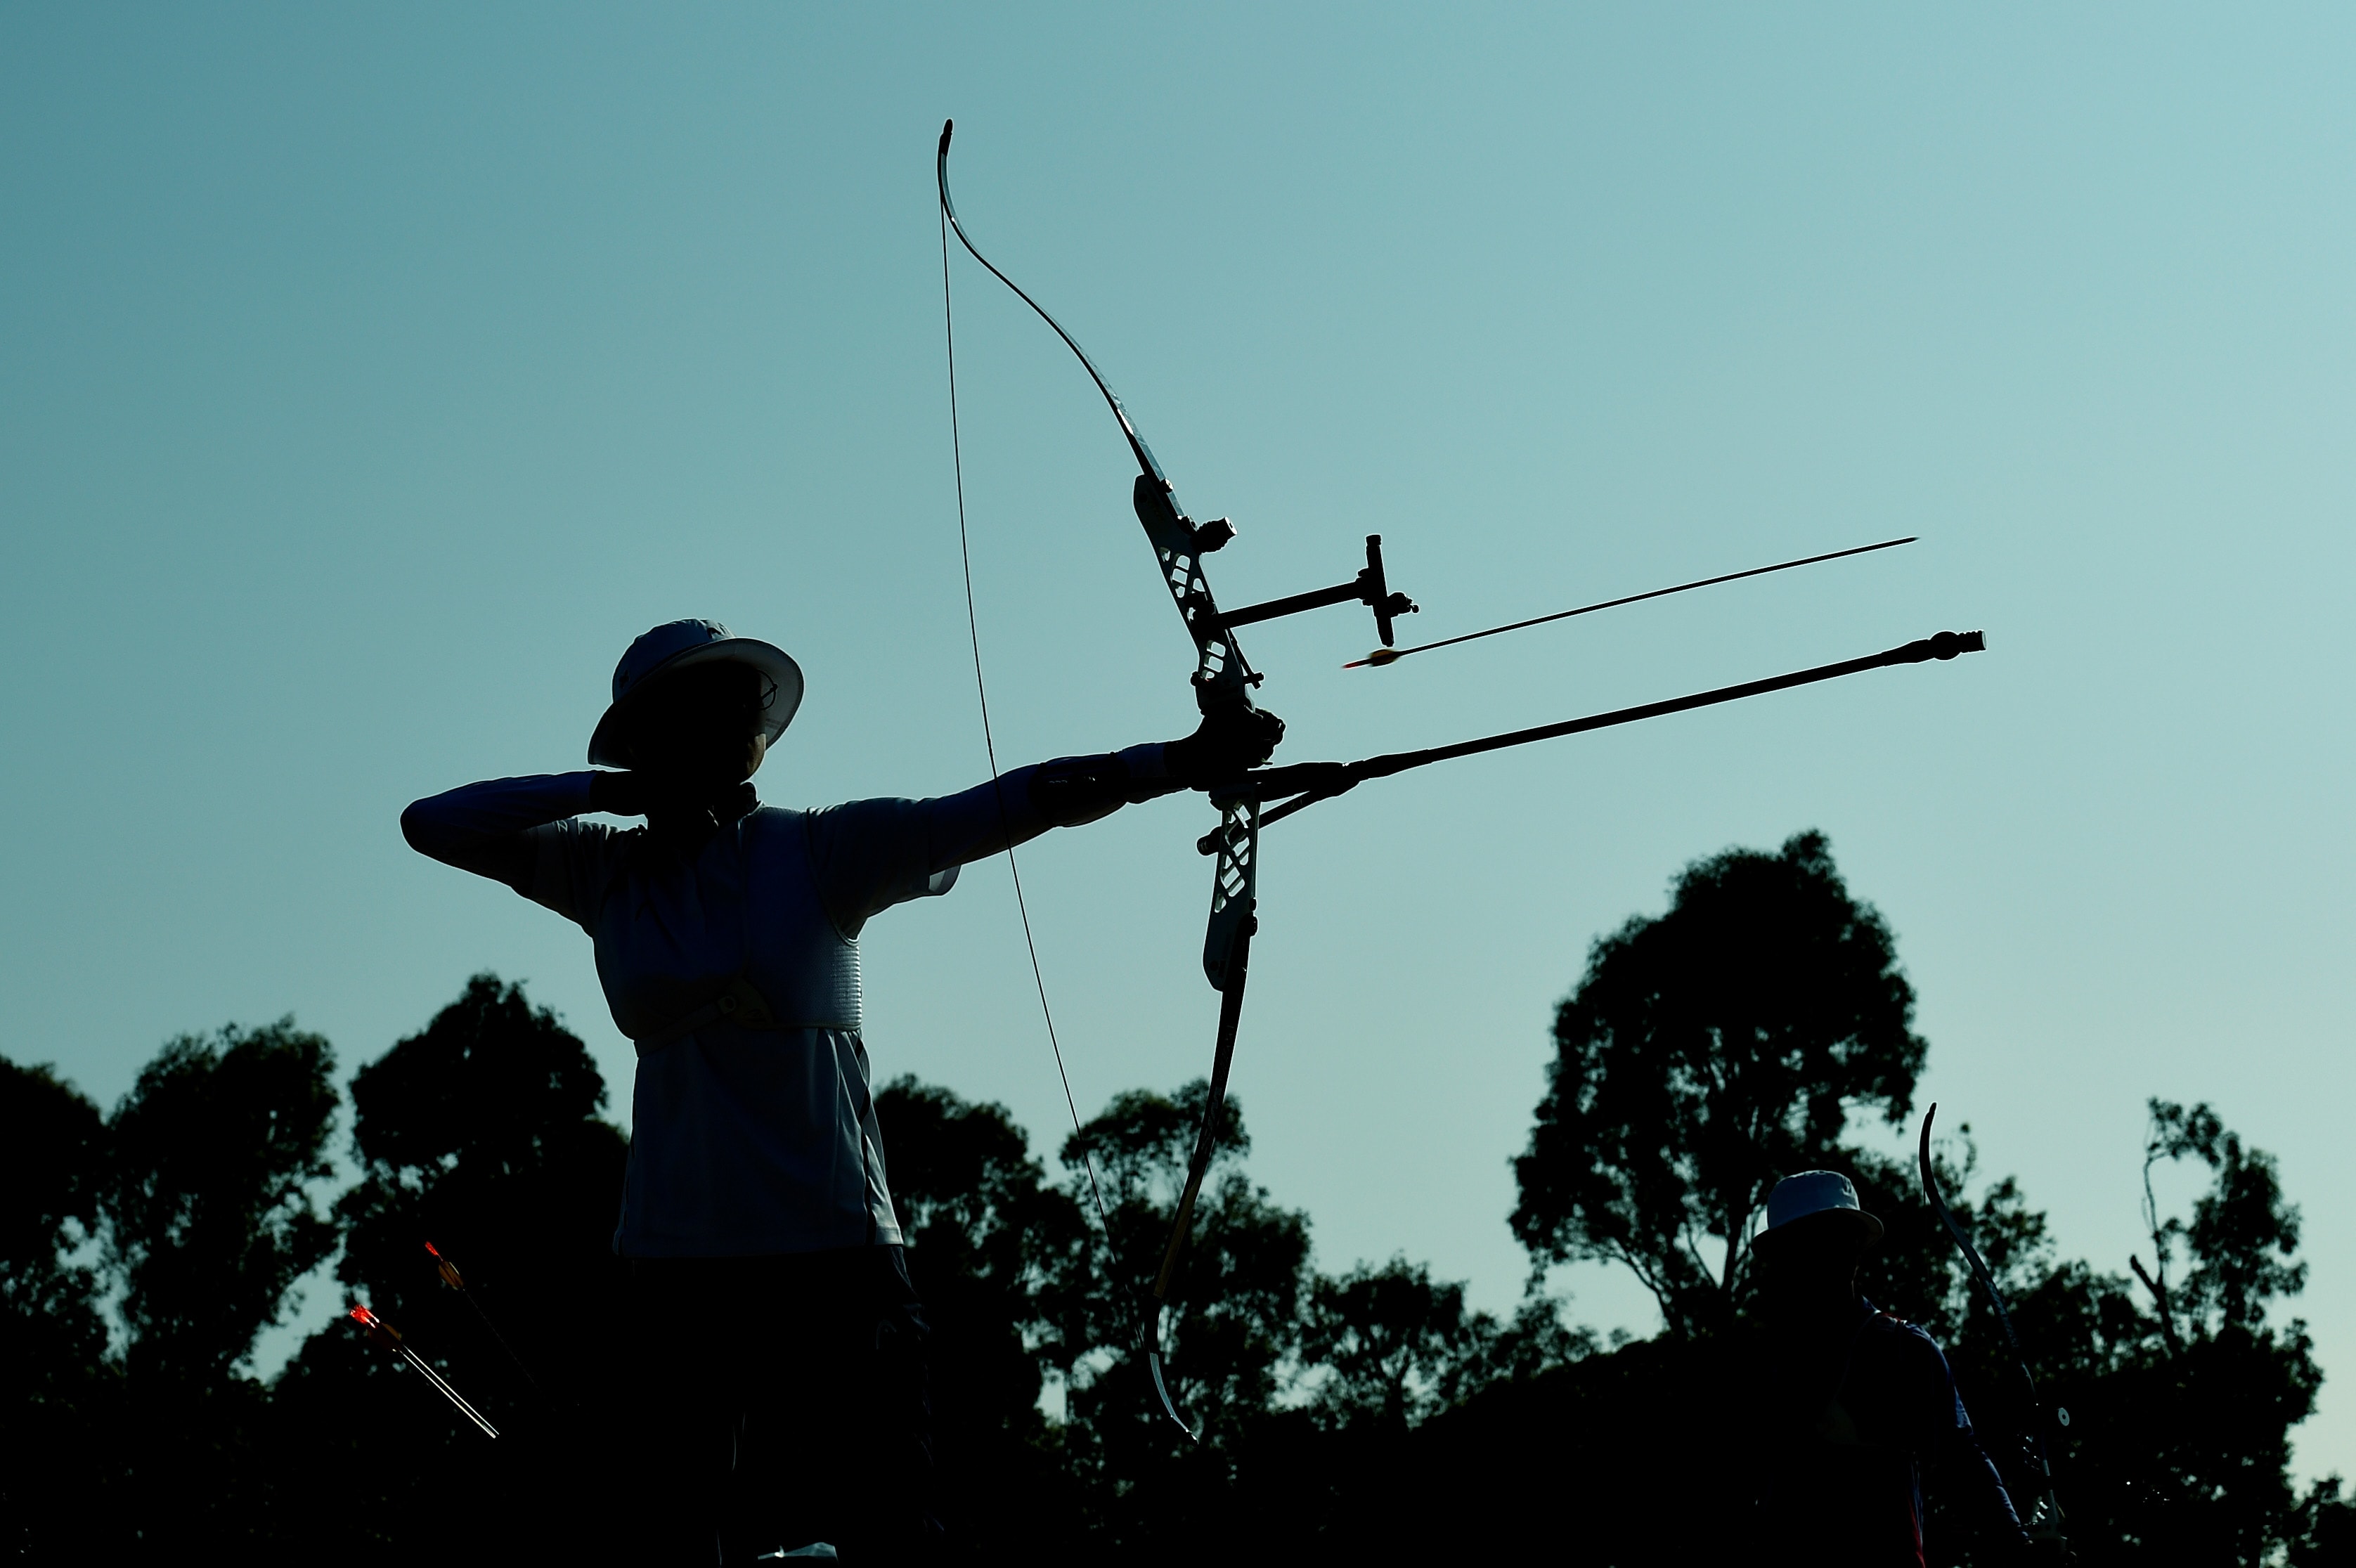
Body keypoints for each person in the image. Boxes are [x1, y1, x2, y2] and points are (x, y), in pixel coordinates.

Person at [401, 618, 1280, 1564]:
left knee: (896, 1524)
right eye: (699, 712)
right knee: (670, 1536)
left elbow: (1006, 804)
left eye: (737, 709)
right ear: (651, 739)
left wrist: (1180, 759)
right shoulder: (603, 869)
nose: (733, 726)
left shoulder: (822, 850)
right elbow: (431, 822)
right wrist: (611, 793)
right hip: (675, 1256)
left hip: (836, 1247)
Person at [1750, 1169, 2045, 1566]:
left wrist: (2020, 1546)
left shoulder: (1904, 1349)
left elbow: (1963, 1459)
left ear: (1856, 1247)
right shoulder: (1757, 1363)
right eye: (1803, 1245)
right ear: (1783, 1259)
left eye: (1833, 1239)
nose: (1819, 1257)